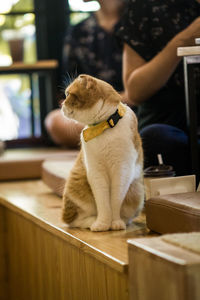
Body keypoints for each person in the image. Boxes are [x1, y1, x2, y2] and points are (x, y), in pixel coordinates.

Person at [117, 0, 200, 175]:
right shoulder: (145, 6)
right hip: (170, 124)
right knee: (156, 139)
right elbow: (135, 91)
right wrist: (184, 39)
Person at [45, 0, 127, 148]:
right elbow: (67, 87)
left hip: (132, 108)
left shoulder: (139, 20)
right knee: (54, 121)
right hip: (93, 113)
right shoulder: (79, 31)